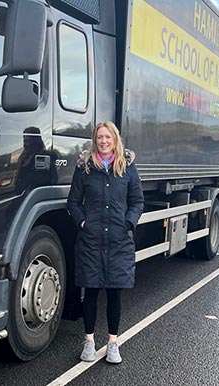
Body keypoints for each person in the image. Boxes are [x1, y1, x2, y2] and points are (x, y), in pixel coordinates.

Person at [67, 121, 144, 364]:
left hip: (119, 241)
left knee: (114, 292)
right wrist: (82, 223)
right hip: (91, 241)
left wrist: (128, 223)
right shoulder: (85, 169)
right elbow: (73, 202)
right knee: (90, 291)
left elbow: (137, 202)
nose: (103, 141)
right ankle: (89, 341)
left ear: (115, 139)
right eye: (99, 137)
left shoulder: (127, 168)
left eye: (107, 137)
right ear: (95, 140)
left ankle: (112, 342)